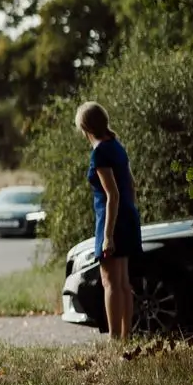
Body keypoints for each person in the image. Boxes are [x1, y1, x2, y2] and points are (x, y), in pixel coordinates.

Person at [75, 101, 141, 340]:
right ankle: (127, 336)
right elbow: (131, 186)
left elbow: (112, 194)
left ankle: (115, 339)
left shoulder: (100, 152)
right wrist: (129, 214)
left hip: (111, 221)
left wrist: (108, 236)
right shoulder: (117, 146)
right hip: (127, 217)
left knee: (110, 281)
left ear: (85, 128)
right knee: (122, 280)